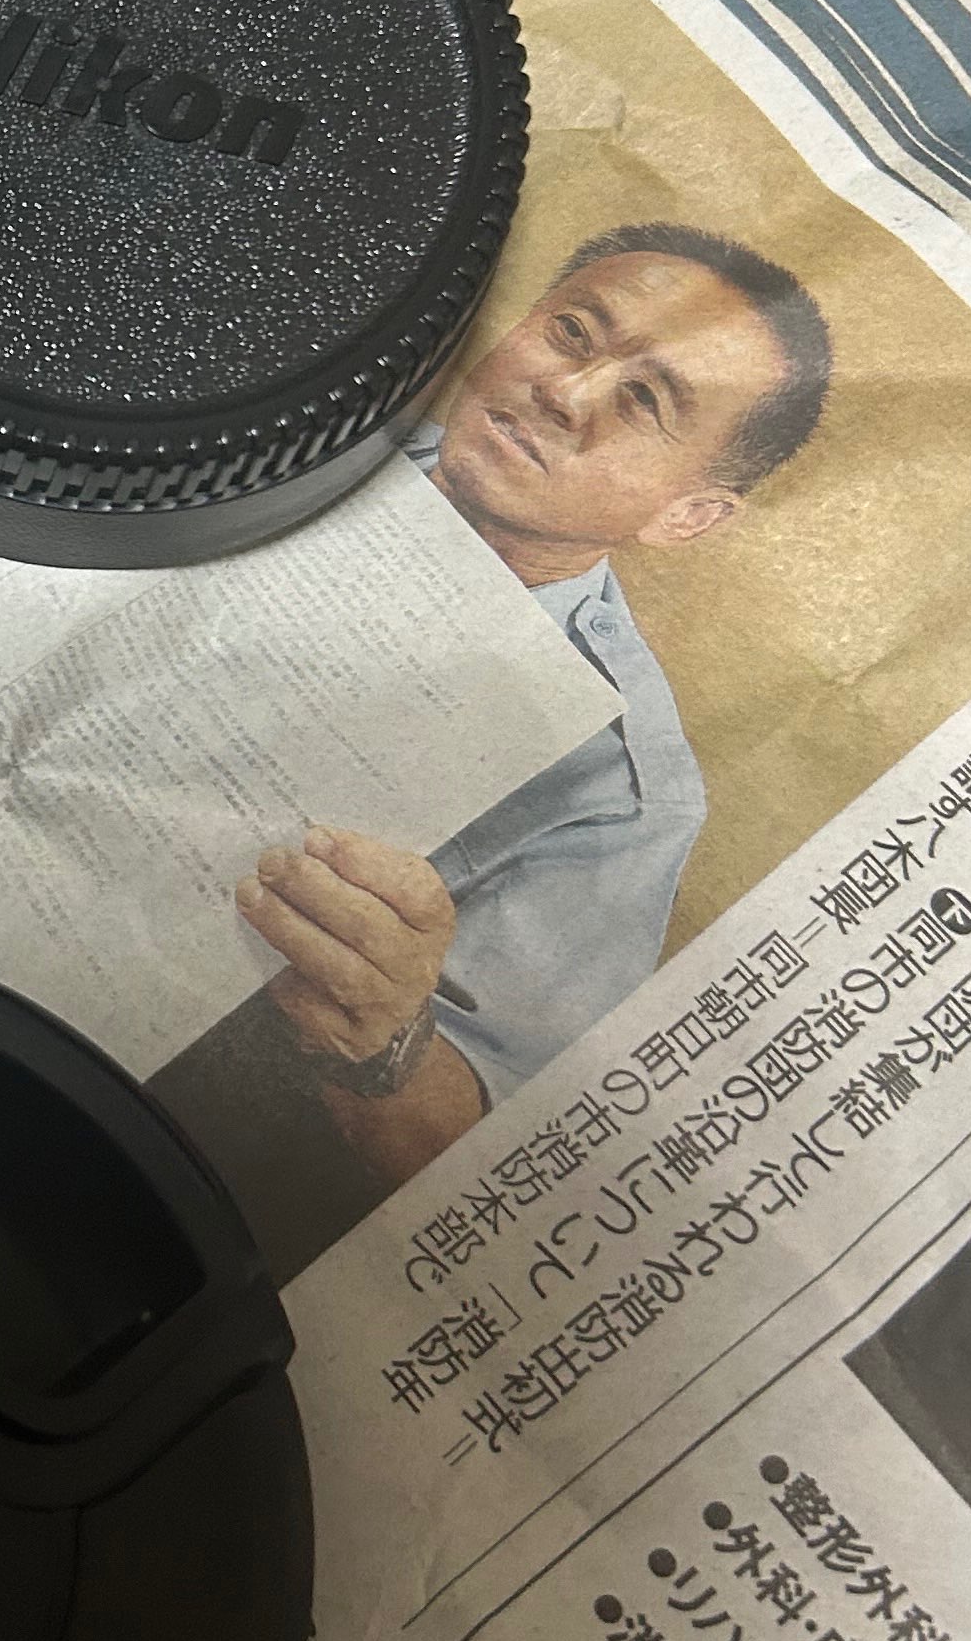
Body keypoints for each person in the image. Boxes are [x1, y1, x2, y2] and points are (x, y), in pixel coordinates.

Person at [166, 226, 833, 1240]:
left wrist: (384, 1035)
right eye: (571, 333)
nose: (564, 392)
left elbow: (480, 1146)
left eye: (644, 400)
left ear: (688, 516)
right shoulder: (316, 415)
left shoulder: (621, 789)